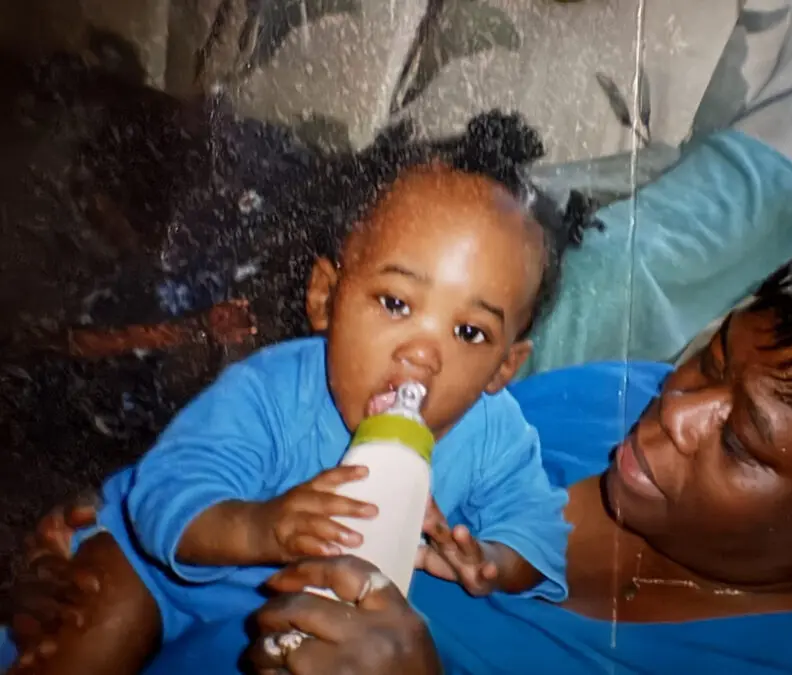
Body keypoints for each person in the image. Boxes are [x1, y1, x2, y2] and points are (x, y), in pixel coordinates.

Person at [7, 210, 792, 674]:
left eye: (744, 447)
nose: (668, 413)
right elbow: (306, 438)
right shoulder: (598, 404)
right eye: (711, 357)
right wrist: (99, 531)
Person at [2, 110, 603, 674]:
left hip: (264, 613)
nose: (422, 353)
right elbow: (164, 495)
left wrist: (491, 561)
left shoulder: (496, 436)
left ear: (504, 368)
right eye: (395, 303)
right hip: (157, 568)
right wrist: (263, 527)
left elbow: (542, 536)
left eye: (470, 331)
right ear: (325, 299)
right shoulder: (272, 389)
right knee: (93, 632)